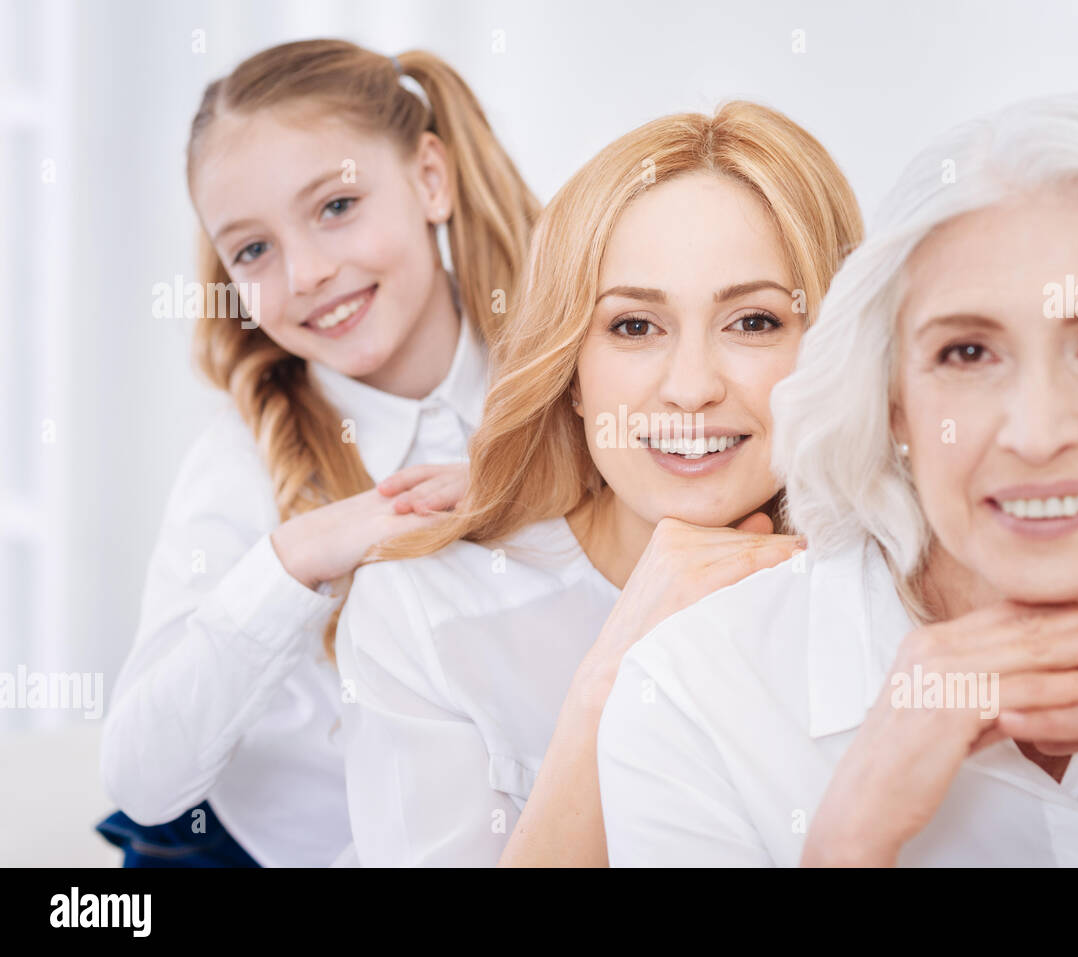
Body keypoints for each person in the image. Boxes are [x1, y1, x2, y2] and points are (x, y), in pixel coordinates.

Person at [597, 93, 1078, 867]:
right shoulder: (698, 700)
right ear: (893, 402)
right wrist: (850, 839)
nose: (1036, 435)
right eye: (968, 354)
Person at [335, 101, 863, 865]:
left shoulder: (891, 590)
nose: (690, 388)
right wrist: (611, 672)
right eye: (634, 327)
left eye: (753, 322)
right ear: (572, 374)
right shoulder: (424, 610)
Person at [98, 38, 539, 867]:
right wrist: (297, 557)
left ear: (430, 179)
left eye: (336, 206)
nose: (305, 272)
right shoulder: (242, 459)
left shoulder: (574, 387)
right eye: (254, 249)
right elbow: (140, 776)